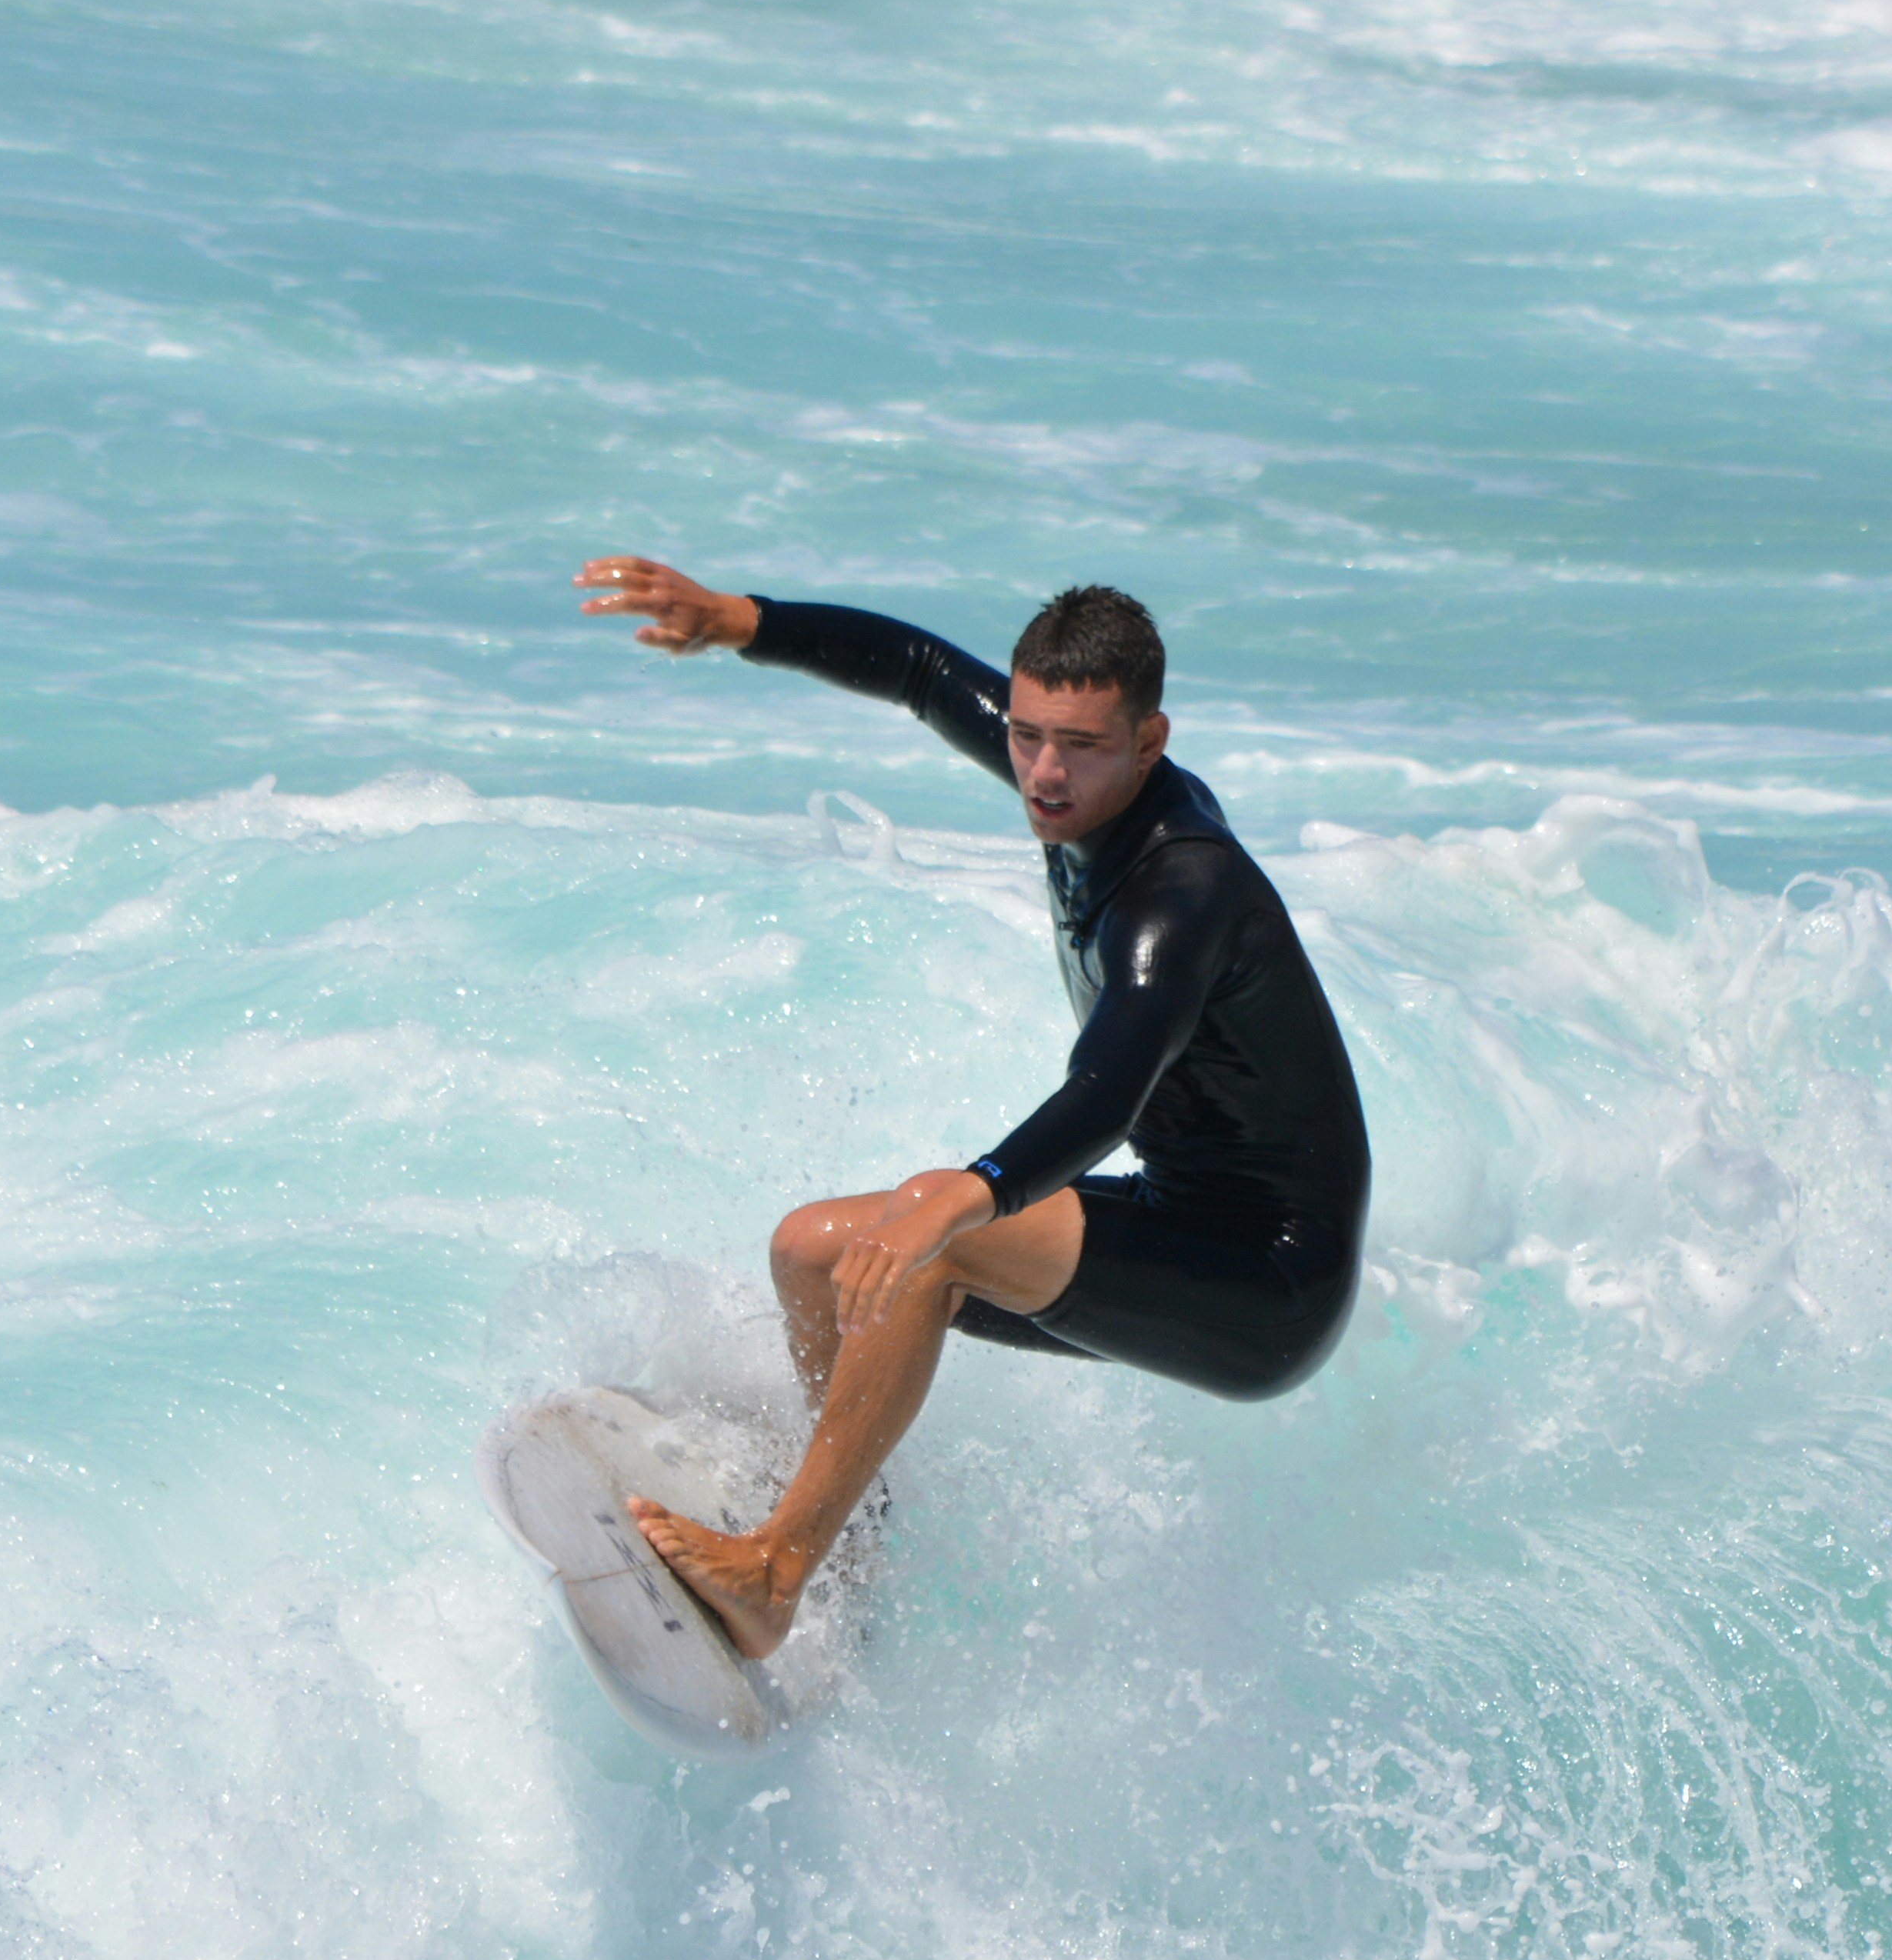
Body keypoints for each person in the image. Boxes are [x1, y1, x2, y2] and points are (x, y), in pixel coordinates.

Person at [574, 555, 1373, 1657]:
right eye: (1028, 735)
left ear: (1151, 742)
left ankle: (775, 1571)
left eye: (1082, 748)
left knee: (928, 1246)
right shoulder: (1071, 770)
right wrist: (734, 621)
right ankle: (852, 1544)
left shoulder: (1180, 896)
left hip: (1271, 1279)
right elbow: (912, 667)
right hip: (1183, 1204)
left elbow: (1110, 1086)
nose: (1043, 773)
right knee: (815, 1251)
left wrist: (975, 1190)